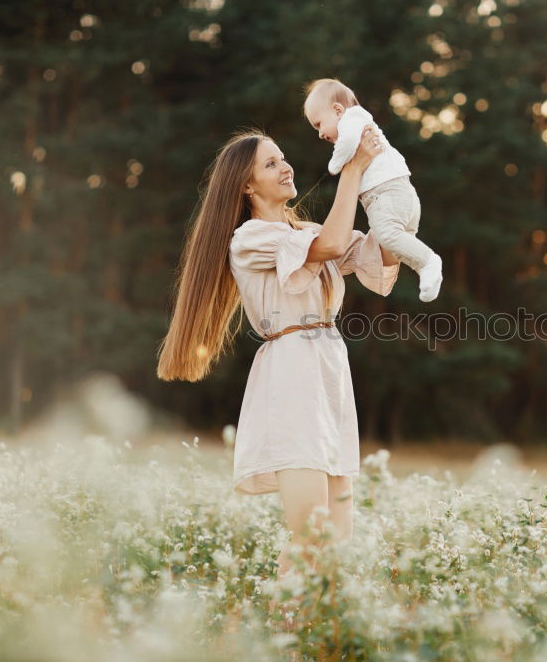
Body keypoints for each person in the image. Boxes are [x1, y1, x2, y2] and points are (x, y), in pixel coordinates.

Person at [156, 124, 392, 634]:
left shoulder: (304, 232)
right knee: (312, 530)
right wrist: (350, 171)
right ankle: (285, 637)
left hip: (330, 368)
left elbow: (378, 254)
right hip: (291, 374)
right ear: (246, 186)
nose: (286, 167)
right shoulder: (252, 239)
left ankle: (316, 634)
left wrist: (390, 191)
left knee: (341, 528)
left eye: (283, 158)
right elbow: (332, 245)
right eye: (271, 164)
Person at [303, 77, 443, 302]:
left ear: (338, 110)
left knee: (388, 236)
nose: (320, 134)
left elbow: (347, 142)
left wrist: (335, 164)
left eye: (319, 124)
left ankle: (428, 261)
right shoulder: (357, 120)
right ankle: (426, 271)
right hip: (401, 196)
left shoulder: (352, 119)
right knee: (398, 247)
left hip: (387, 194)